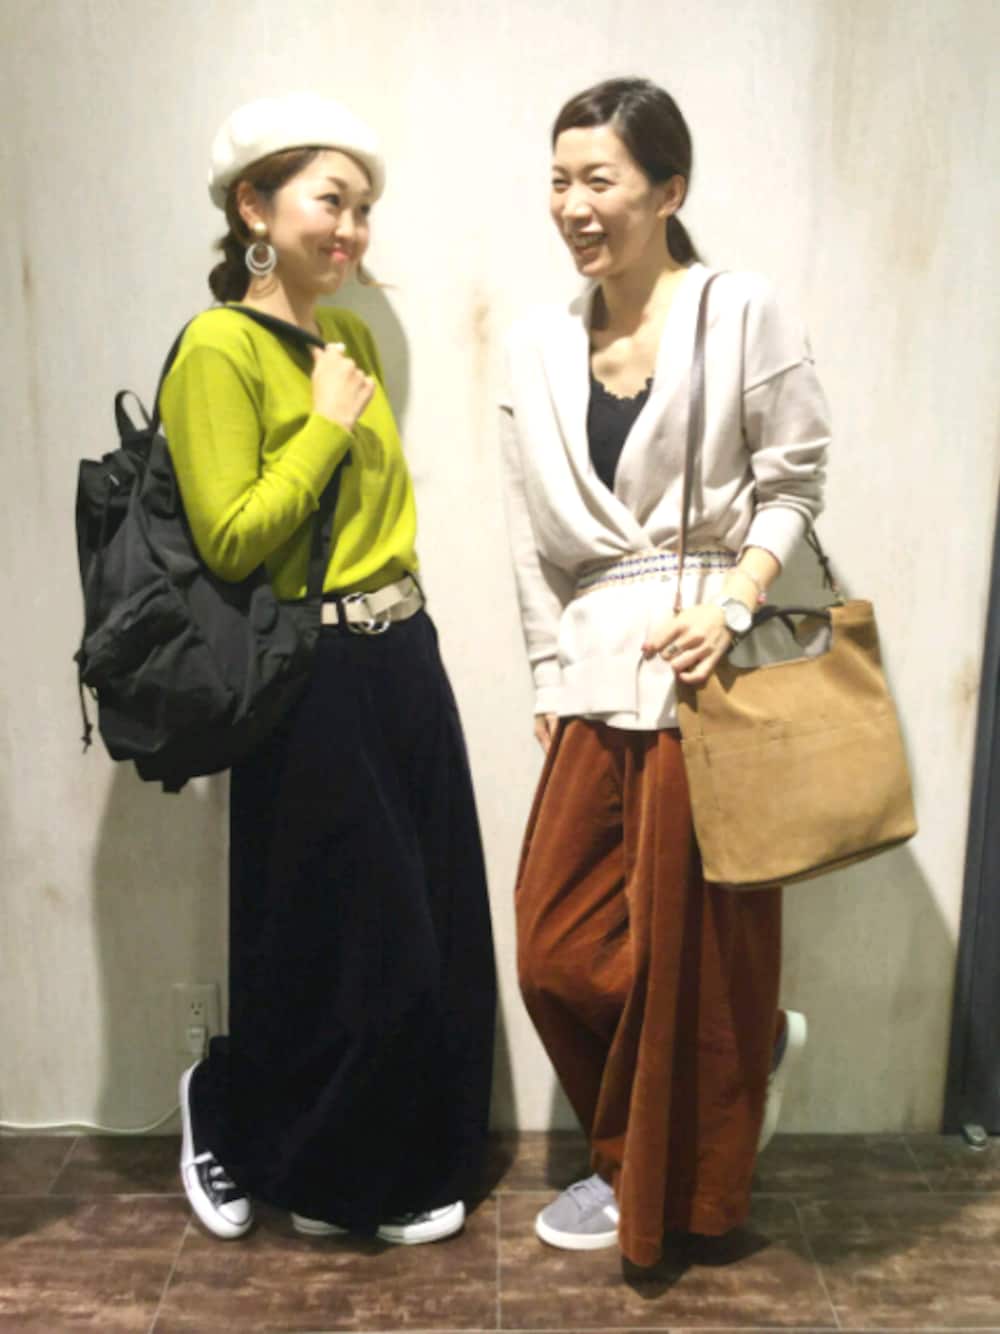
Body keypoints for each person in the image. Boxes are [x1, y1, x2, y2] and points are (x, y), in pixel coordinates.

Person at [500, 77, 825, 1267]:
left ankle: (649, 1175)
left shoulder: (738, 310)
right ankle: (737, 1057)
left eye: (600, 179)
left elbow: (793, 481)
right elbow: (529, 537)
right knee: (555, 944)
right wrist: (548, 676)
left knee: (692, 950)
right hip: (595, 671)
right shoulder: (539, 344)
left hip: (709, 670)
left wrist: (734, 604)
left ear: (668, 190)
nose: (573, 204)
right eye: (558, 179)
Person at [161, 92, 496, 1244]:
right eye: (329, 201)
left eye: (362, 209)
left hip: (402, 652)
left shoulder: (346, 340)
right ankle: (296, 1151)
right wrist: (322, 428)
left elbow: (381, 516)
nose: (350, 229)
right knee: (352, 935)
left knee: (431, 920)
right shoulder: (218, 346)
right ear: (254, 207)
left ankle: (397, 1157)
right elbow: (230, 538)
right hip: (310, 668)